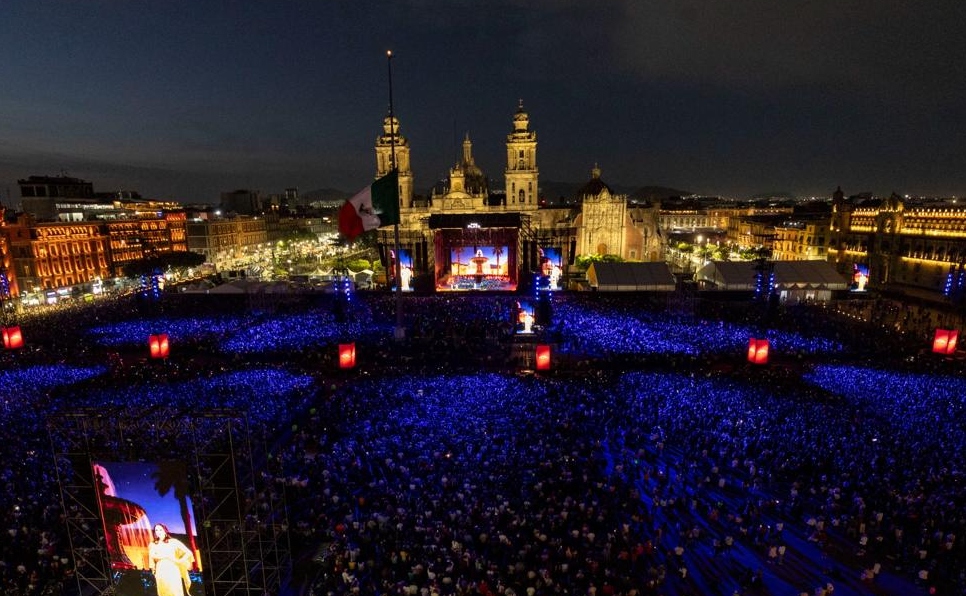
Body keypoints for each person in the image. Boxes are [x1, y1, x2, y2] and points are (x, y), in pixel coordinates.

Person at [149, 523, 194, 596]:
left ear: (165, 530)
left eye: (160, 529)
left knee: (175, 590)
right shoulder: (153, 544)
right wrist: (154, 571)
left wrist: (179, 560)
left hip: (172, 569)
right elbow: (152, 557)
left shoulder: (173, 542)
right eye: (156, 530)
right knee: (163, 592)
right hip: (160, 570)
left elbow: (189, 552)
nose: (158, 531)